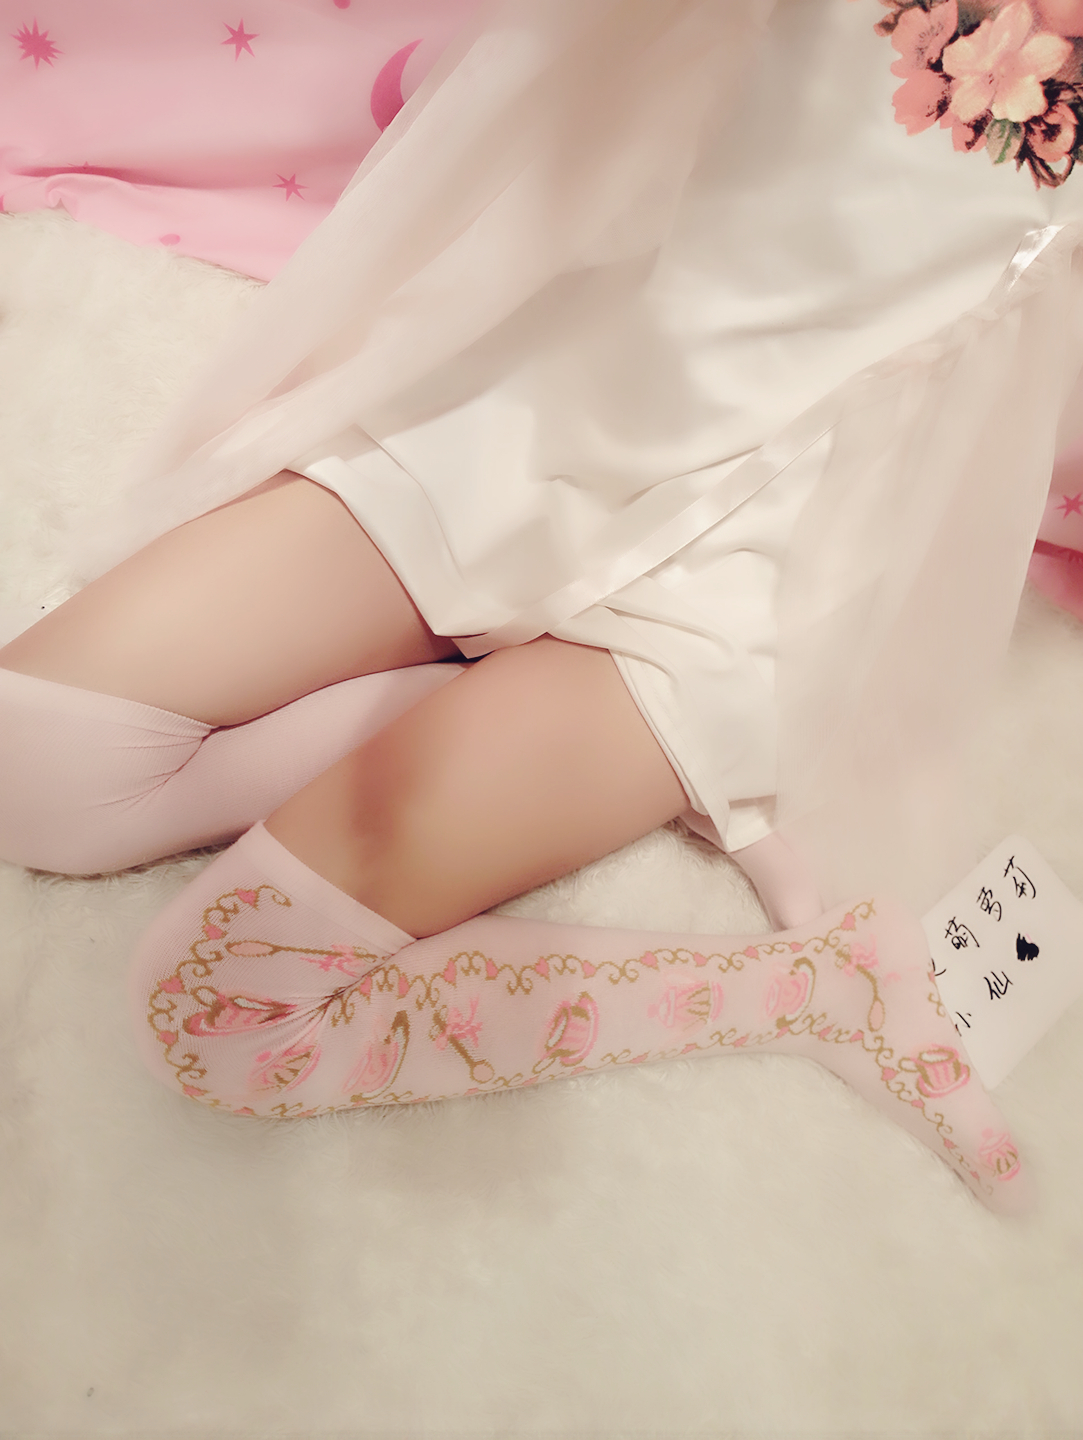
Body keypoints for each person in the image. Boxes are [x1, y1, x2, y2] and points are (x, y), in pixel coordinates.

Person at [1, 0, 1077, 1213]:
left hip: (762, 583)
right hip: (540, 421)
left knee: (222, 1015)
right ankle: (488, 705)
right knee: (30, 763)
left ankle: (816, 990)